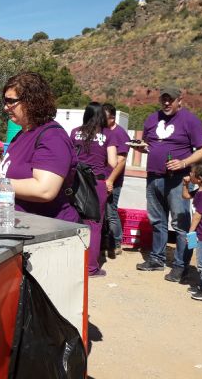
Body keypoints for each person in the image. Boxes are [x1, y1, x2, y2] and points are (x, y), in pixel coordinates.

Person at [0, 72, 79, 222]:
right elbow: (17, 174)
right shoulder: (22, 134)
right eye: (5, 101)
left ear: (31, 101)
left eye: (10, 101)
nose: (5, 107)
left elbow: (45, 190)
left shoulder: (53, 137)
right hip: (15, 225)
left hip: (41, 230)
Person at [133, 86, 202, 281]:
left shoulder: (190, 120)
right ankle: (157, 259)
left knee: (181, 225)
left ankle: (181, 266)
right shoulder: (152, 118)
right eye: (164, 99)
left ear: (179, 101)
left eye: (171, 100)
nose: (166, 103)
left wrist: (183, 162)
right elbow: (148, 145)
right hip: (153, 177)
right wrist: (140, 147)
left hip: (178, 179)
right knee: (157, 221)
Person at [70, 102, 118, 278]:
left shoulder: (75, 132)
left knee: (75, 221)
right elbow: (113, 163)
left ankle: (73, 263)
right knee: (95, 225)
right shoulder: (108, 135)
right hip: (97, 184)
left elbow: (71, 157)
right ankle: (91, 267)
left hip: (77, 182)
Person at [102, 103, 131, 257]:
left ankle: (116, 243)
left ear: (112, 118)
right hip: (102, 179)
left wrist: (111, 180)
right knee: (104, 212)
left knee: (111, 212)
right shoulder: (103, 131)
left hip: (113, 181)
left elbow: (121, 161)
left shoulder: (120, 134)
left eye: (104, 117)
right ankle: (105, 241)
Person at [182, 160, 202, 301]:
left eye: (191, 173)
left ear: (199, 179)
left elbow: (198, 216)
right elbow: (186, 196)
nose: (189, 174)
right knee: (201, 259)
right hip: (200, 233)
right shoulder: (200, 191)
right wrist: (185, 184)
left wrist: (191, 232)